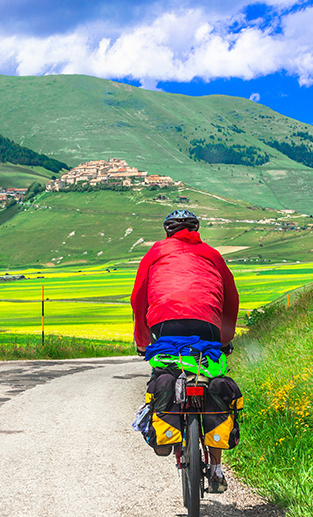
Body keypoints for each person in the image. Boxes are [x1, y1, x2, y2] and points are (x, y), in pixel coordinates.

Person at [130, 209, 239, 494]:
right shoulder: (212, 254)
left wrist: (142, 340)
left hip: (165, 323)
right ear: (196, 230)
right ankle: (216, 469)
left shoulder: (156, 252)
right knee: (209, 381)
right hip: (208, 325)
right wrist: (224, 338)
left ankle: (166, 428)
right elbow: (231, 297)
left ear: (167, 231)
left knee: (165, 369)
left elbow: (138, 298)